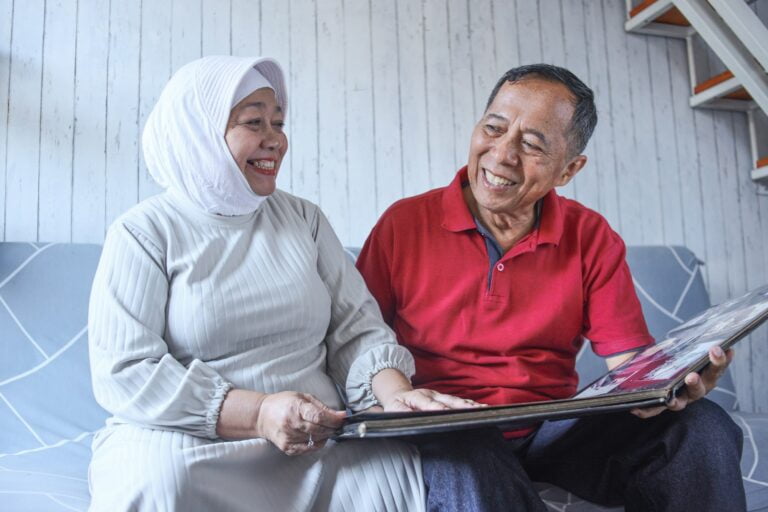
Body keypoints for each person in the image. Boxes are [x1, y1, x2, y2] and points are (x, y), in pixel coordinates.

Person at [87, 55, 475, 512]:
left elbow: (357, 329)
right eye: (253, 122)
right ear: (199, 132)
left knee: (397, 472)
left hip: (316, 437)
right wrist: (258, 412)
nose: (274, 140)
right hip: (191, 440)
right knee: (159, 483)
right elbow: (126, 370)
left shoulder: (303, 219)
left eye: (278, 122)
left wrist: (397, 395)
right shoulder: (144, 232)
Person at [356, 64, 745, 511]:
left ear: (569, 169)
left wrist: (670, 384)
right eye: (494, 129)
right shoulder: (404, 224)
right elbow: (359, 342)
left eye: (531, 144)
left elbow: (628, 366)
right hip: (447, 431)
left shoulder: (591, 236)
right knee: (466, 446)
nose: (501, 154)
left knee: (701, 426)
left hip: (551, 430)